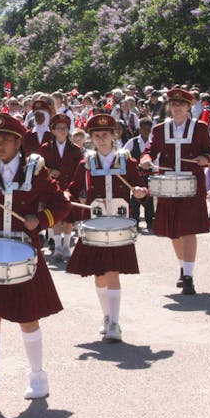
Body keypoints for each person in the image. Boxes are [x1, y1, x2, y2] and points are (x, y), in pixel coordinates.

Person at [0, 113, 70, 403]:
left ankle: (38, 377)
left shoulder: (35, 169)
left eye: (5, 139)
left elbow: (62, 204)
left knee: (27, 316)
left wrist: (41, 219)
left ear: (18, 141)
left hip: (25, 250)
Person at [65, 114, 149, 342]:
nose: (101, 139)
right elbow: (72, 189)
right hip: (94, 225)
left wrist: (140, 192)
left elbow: (141, 186)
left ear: (114, 136)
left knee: (112, 272)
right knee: (99, 275)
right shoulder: (85, 163)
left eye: (105, 135)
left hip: (119, 226)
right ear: (91, 139)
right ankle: (106, 315)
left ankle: (114, 322)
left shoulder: (126, 161)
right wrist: (65, 195)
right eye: (97, 136)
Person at [140, 88, 210, 295]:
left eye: (181, 104)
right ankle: (183, 268)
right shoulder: (159, 129)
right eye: (173, 104)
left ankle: (189, 277)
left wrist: (205, 158)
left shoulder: (199, 128)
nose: (177, 108)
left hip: (192, 186)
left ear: (188, 107)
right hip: (168, 186)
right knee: (174, 232)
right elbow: (149, 151)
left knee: (188, 230)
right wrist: (146, 159)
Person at [40, 113, 83, 260]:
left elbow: (80, 169)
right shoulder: (46, 148)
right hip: (53, 188)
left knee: (69, 218)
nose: (63, 130)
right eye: (59, 128)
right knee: (55, 216)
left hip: (71, 187)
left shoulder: (75, 149)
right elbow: (40, 167)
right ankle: (57, 246)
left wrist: (75, 187)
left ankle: (66, 246)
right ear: (52, 130)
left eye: (65, 127)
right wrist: (50, 171)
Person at [123, 118, 155, 232]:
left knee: (149, 199)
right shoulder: (132, 142)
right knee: (135, 199)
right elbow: (123, 155)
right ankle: (135, 221)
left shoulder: (152, 143)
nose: (146, 132)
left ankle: (150, 222)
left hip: (149, 176)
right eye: (144, 129)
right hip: (135, 176)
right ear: (139, 129)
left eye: (148, 129)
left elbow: (156, 160)